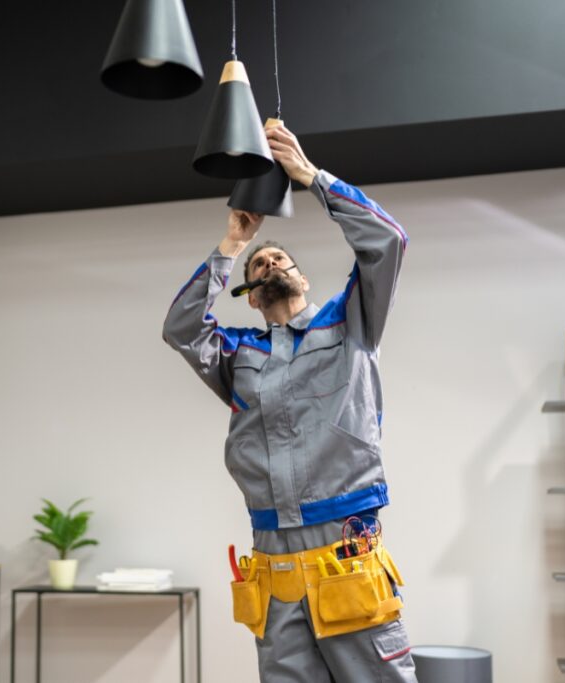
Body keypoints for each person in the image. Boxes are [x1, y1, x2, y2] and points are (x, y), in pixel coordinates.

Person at [163, 125, 416, 683]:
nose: (270, 262)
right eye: (259, 266)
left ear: (301, 278)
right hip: (272, 565)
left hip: (344, 553)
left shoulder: (351, 322)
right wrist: (232, 246)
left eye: (279, 257)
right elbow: (181, 330)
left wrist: (309, 178)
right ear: (249, 297)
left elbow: (388, 241)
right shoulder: (239, 354)